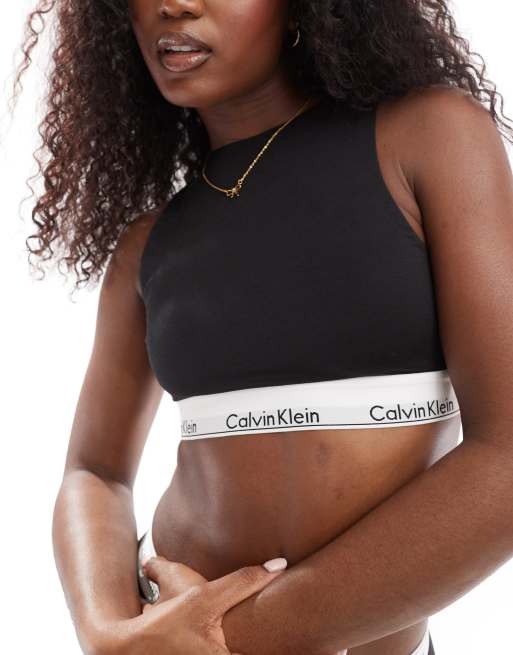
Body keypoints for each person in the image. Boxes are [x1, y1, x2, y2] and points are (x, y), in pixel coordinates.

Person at [11, 1, 513, 654]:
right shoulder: (147, 245)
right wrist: (111, 634)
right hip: (164, 619)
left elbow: (506, 454)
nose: (173, 4)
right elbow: (94, 470)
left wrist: (225, 641)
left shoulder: (428, 137)